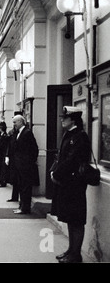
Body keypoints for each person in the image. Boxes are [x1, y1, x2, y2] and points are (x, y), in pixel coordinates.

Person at [50, 106, 90, 263]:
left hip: (75, 184)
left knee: (77, 220)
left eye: (64, 117)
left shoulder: (80, 136)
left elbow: (72, 160)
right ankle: (70, 250)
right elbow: (61, 158)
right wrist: (55, 172)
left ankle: (76, 254)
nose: (62, 119)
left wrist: (57, 174)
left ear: (73, 119)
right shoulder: (69, 134)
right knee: (70, 219)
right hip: (67, 184)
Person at [5, 115, 39, 214]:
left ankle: (25, 208)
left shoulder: (27, 133)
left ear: (20, 121)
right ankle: (21, 206)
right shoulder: (18, 133)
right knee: (21, 186)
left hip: (25, 166)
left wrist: (28, 162)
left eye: (15, 122)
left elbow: (34, 149)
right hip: (19, 165)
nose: (14, 124)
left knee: (25, 187)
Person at [0, 121, 10, 187]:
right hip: (0, 154)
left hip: (2, 154)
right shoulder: (1, 135)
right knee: (1, 168)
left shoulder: (5, 136)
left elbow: (2, 145)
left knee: (3, 169)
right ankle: (1, 181)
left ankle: (3, 182)